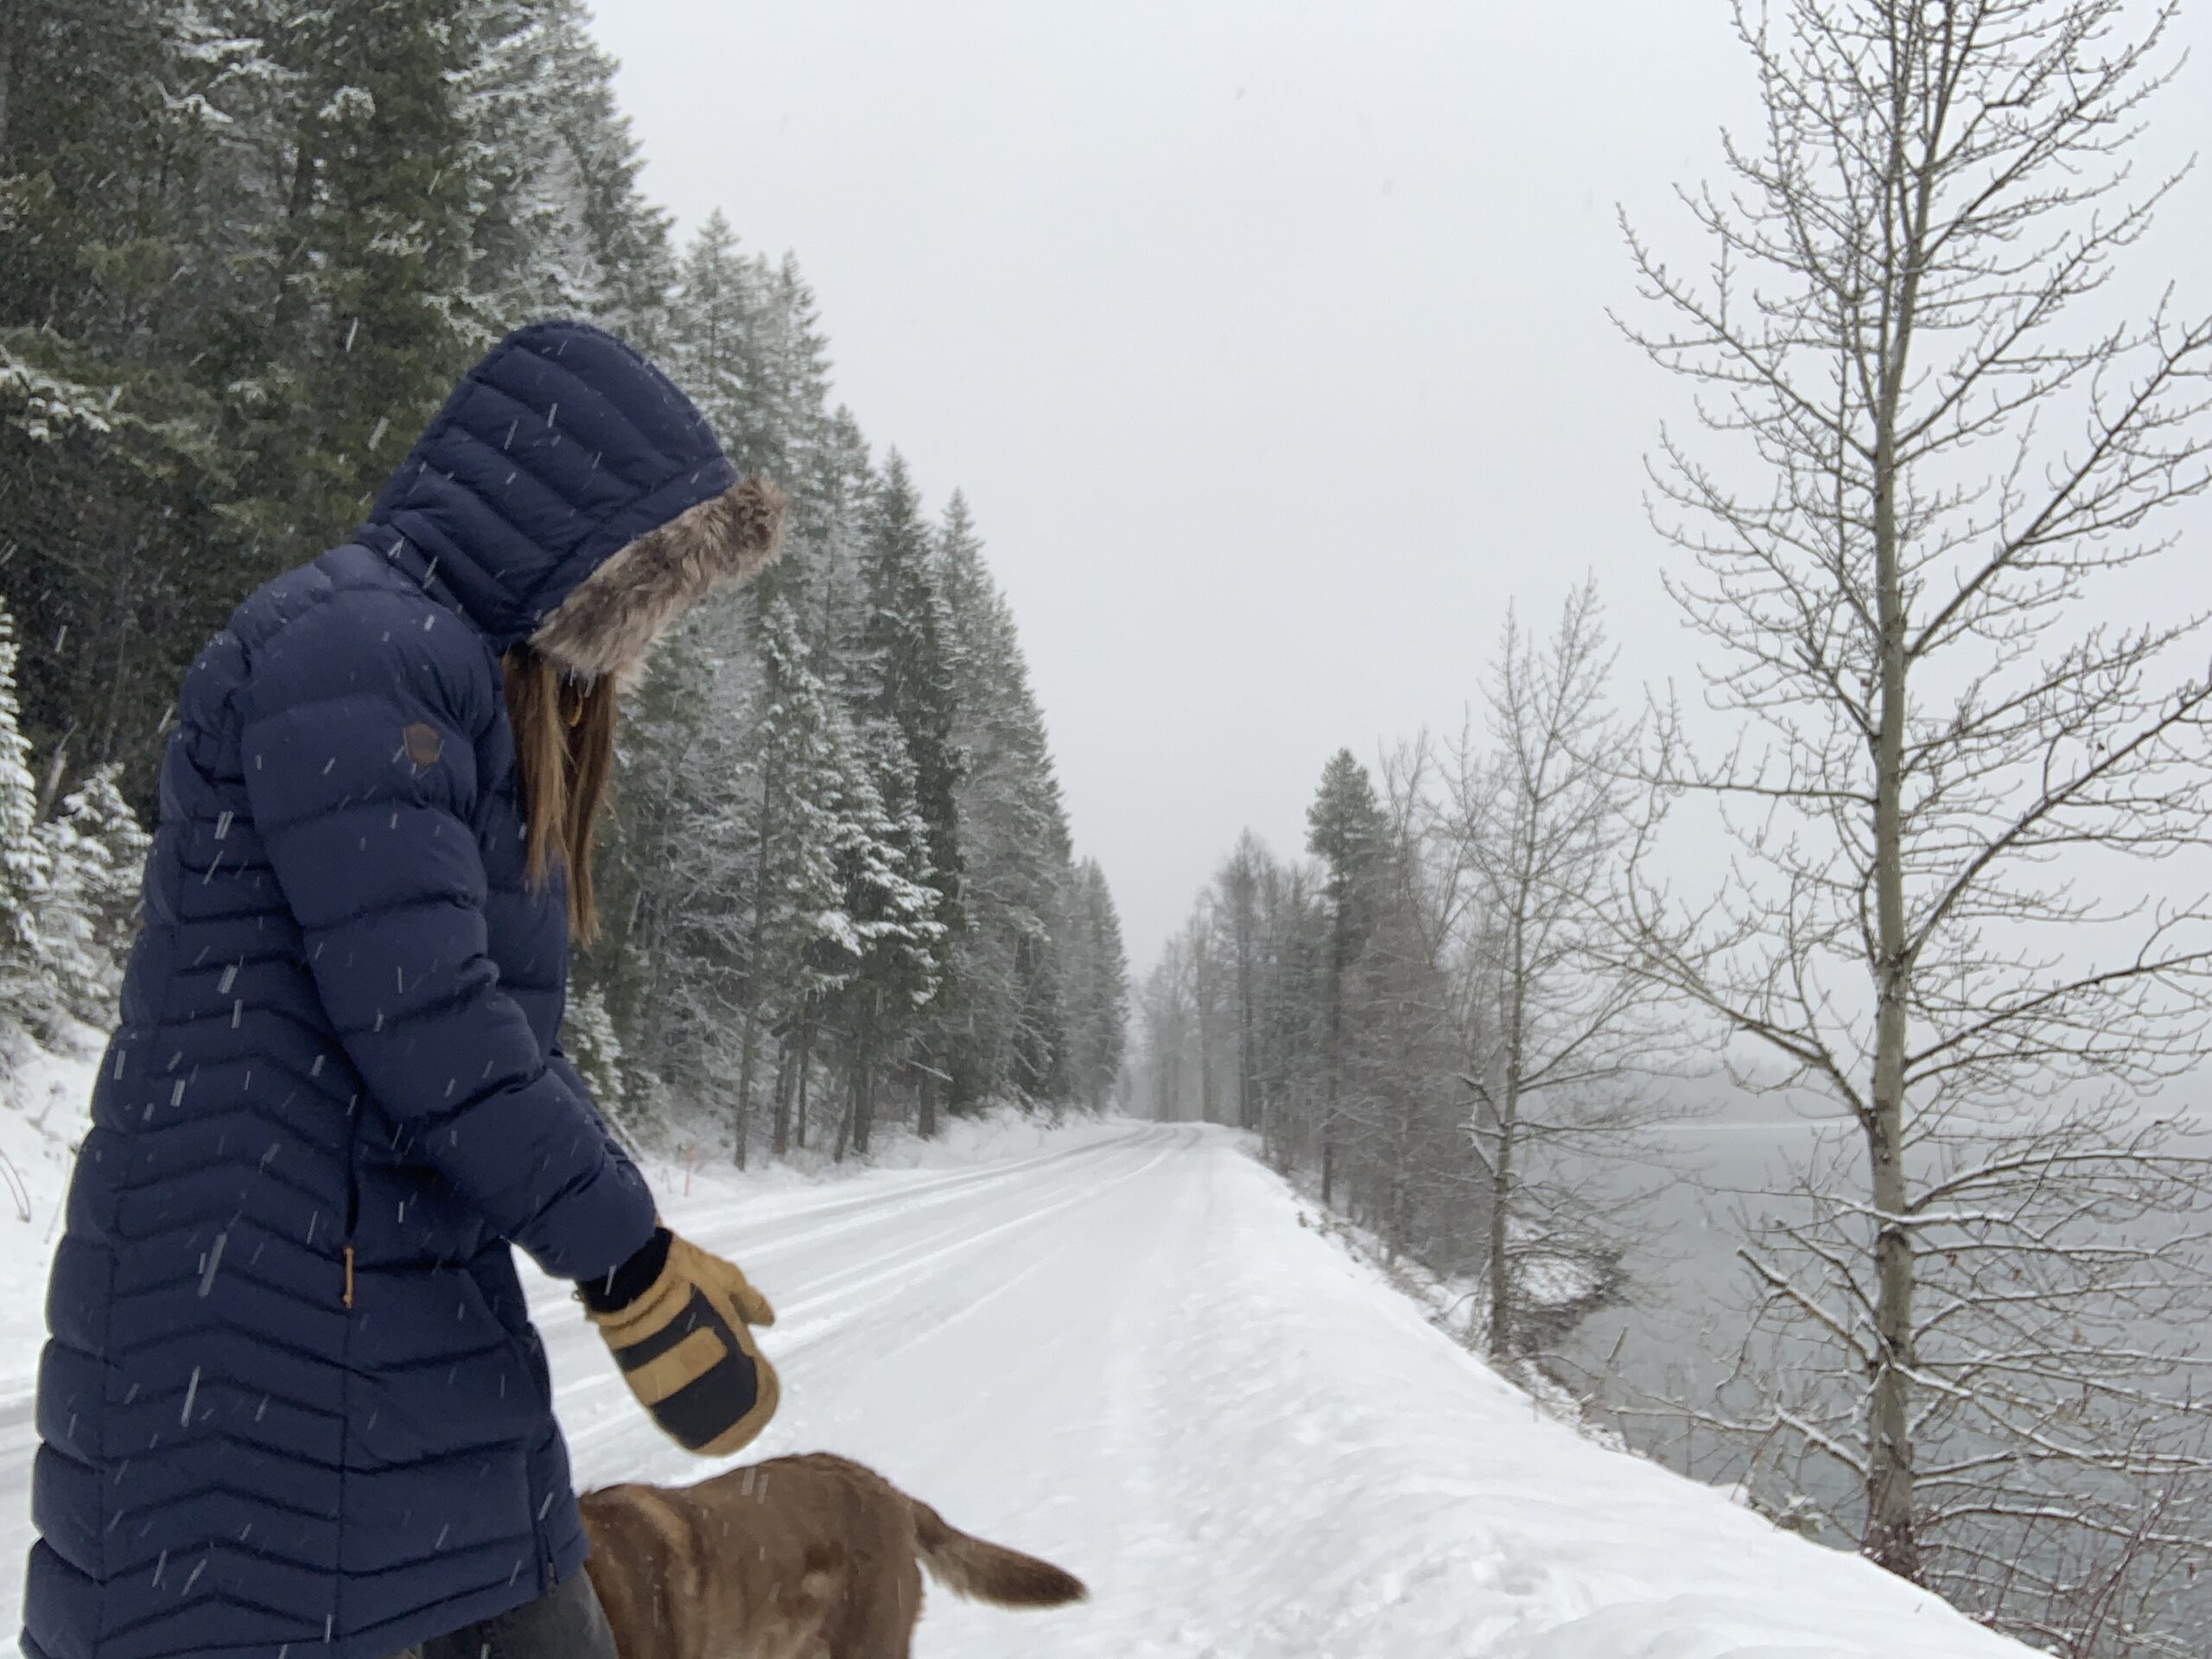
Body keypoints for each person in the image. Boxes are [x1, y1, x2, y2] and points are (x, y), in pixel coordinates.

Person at [22, 320, 788, 1659]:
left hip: (393, 1335)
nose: (646, 633)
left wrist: (636, 1229)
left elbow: (487, 1042)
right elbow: (432, 1021)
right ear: (564, 525)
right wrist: (627, 1264)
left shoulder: (450, 676)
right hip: (259, 1347)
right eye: (647, 587)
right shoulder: (359, 648)